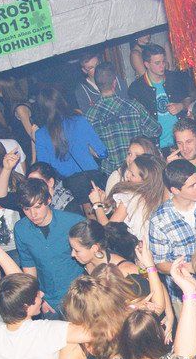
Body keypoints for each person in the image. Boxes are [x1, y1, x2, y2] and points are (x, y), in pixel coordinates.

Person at [13, 179, 86, 314]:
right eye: (27, 209)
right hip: (48, 301)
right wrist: (37, 298)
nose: (33, 214)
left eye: (38, 207)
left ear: (48, 200)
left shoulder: (74, 222)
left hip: (79, 297)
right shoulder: (21, 229)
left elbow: (92, 260)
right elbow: (29, 266)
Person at [84, 63, 161, 175]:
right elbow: (156, 130)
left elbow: (90, 148)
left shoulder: (90, 115)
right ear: (114, 82)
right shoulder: (134, 106)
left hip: (112, 174)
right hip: (137, 170)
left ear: (97, 84)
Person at [128, 43, 194, 149]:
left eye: (163, 61)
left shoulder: (175, 78)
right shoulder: (137, 88)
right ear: (147, 64)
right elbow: (136, 122)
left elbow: (190, 98)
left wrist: (181, 106)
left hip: (182, 142)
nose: (162, 65)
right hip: (156, 147)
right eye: (157, 63)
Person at [32, 87, 107, 177]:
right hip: (92, 177)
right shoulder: (79, 121)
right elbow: (103, 153)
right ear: (61, 102)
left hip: (66, 183)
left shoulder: (40, 134)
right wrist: (89, 150)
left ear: (41, 109)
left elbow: (44, 170)